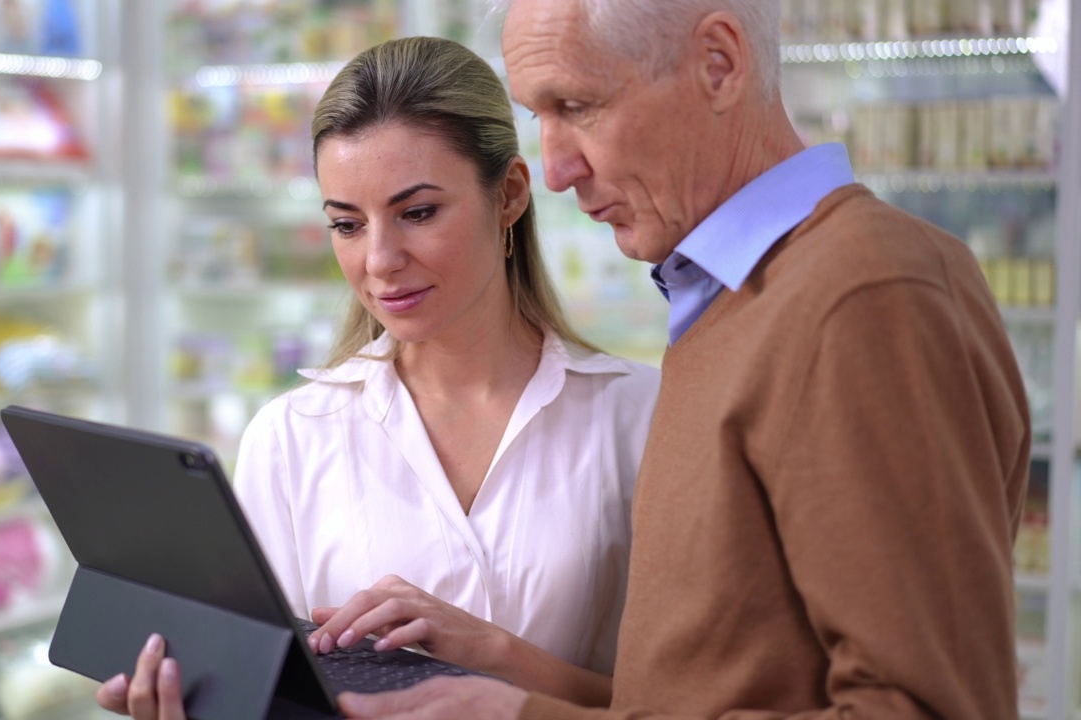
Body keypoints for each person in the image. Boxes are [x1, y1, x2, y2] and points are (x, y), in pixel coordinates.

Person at [334, 0, 1032, 718]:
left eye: (577, 105)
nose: (556, 169)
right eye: (538, 115)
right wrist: (505, 672)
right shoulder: (736, 301)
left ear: (719, 65)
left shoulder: (861, 295)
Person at [95, 35, 661, 719]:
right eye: (347, 224)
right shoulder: (292, 437)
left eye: (417, 213)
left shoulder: (639, 416)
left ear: (509, 195)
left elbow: (691, 705)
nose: (380, 260)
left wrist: (499, 658)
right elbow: (279, 699)